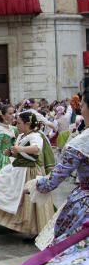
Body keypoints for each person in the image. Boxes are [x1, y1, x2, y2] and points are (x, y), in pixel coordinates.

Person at [0, 111, 54, 236]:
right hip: (20, 169)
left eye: (19, 123)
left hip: (31, 171)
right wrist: (12, 152)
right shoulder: (22, 136)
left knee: (31, 201)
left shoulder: (35, 136)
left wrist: (20, 149)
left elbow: (36, 149)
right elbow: (21, 152)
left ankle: (35, 230)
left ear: (27, 124)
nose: (16, 125)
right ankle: (22, 225)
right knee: (13, 196)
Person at [29, 90, 89, 244]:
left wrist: (34, 185)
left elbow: (54, 179)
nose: (80, 110)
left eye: (82, 106)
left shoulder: (80, 143)